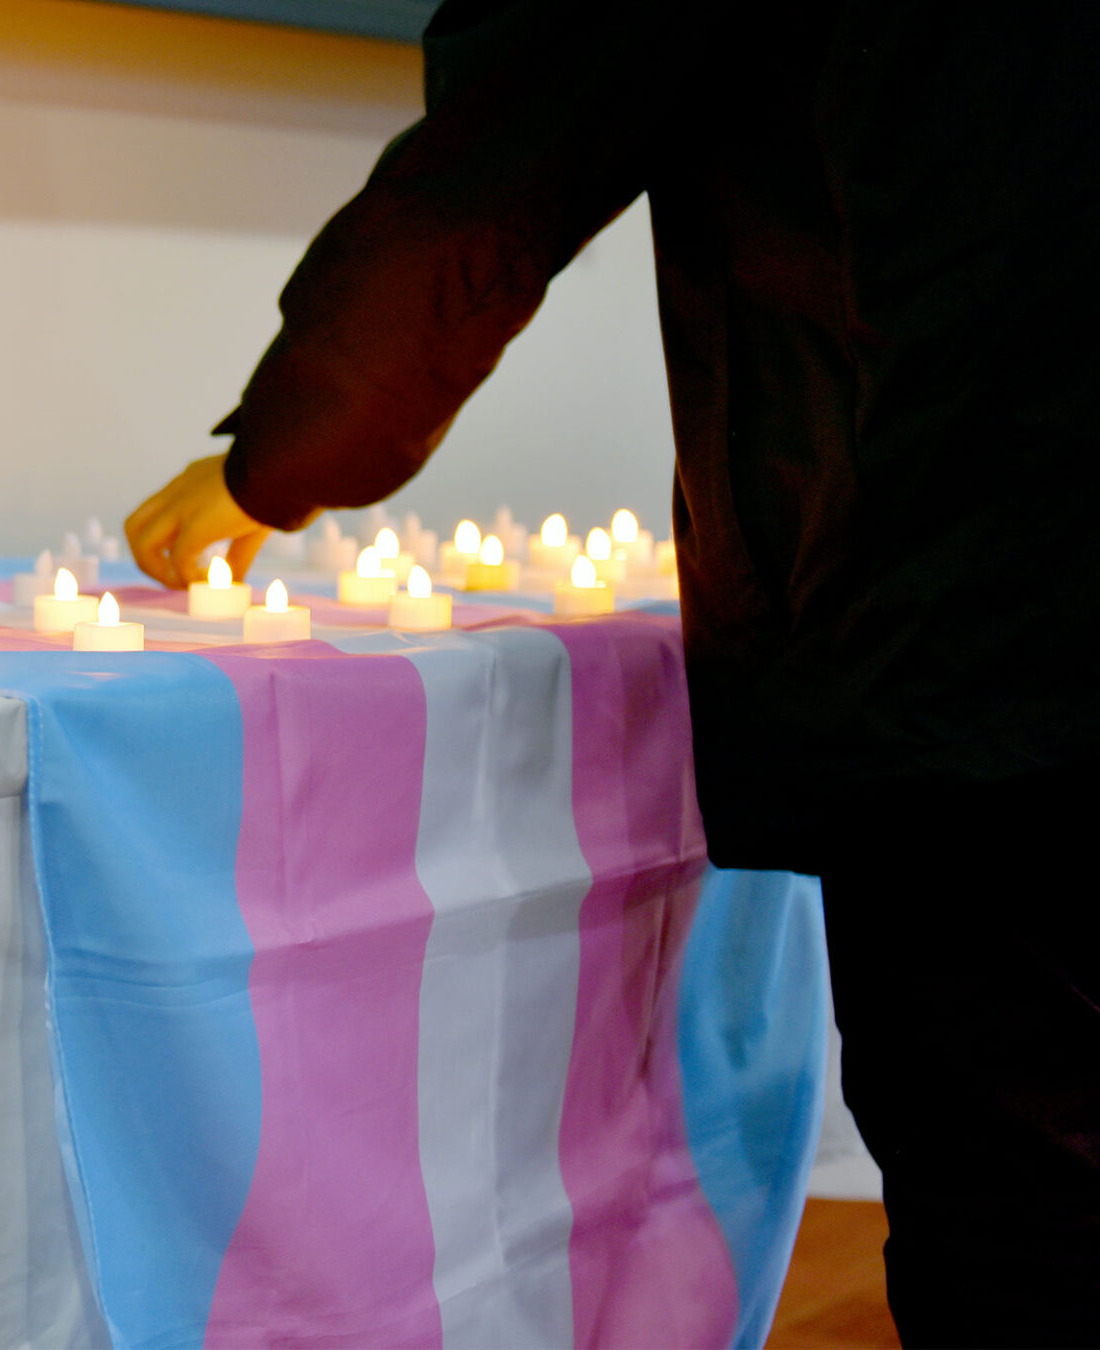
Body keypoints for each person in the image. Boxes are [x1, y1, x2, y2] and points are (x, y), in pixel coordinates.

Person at [124, 1, 1100, 1342]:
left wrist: (277, 462)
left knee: (1024, 1197)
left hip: (976, 605)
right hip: (1008, 595)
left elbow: (509, 156)